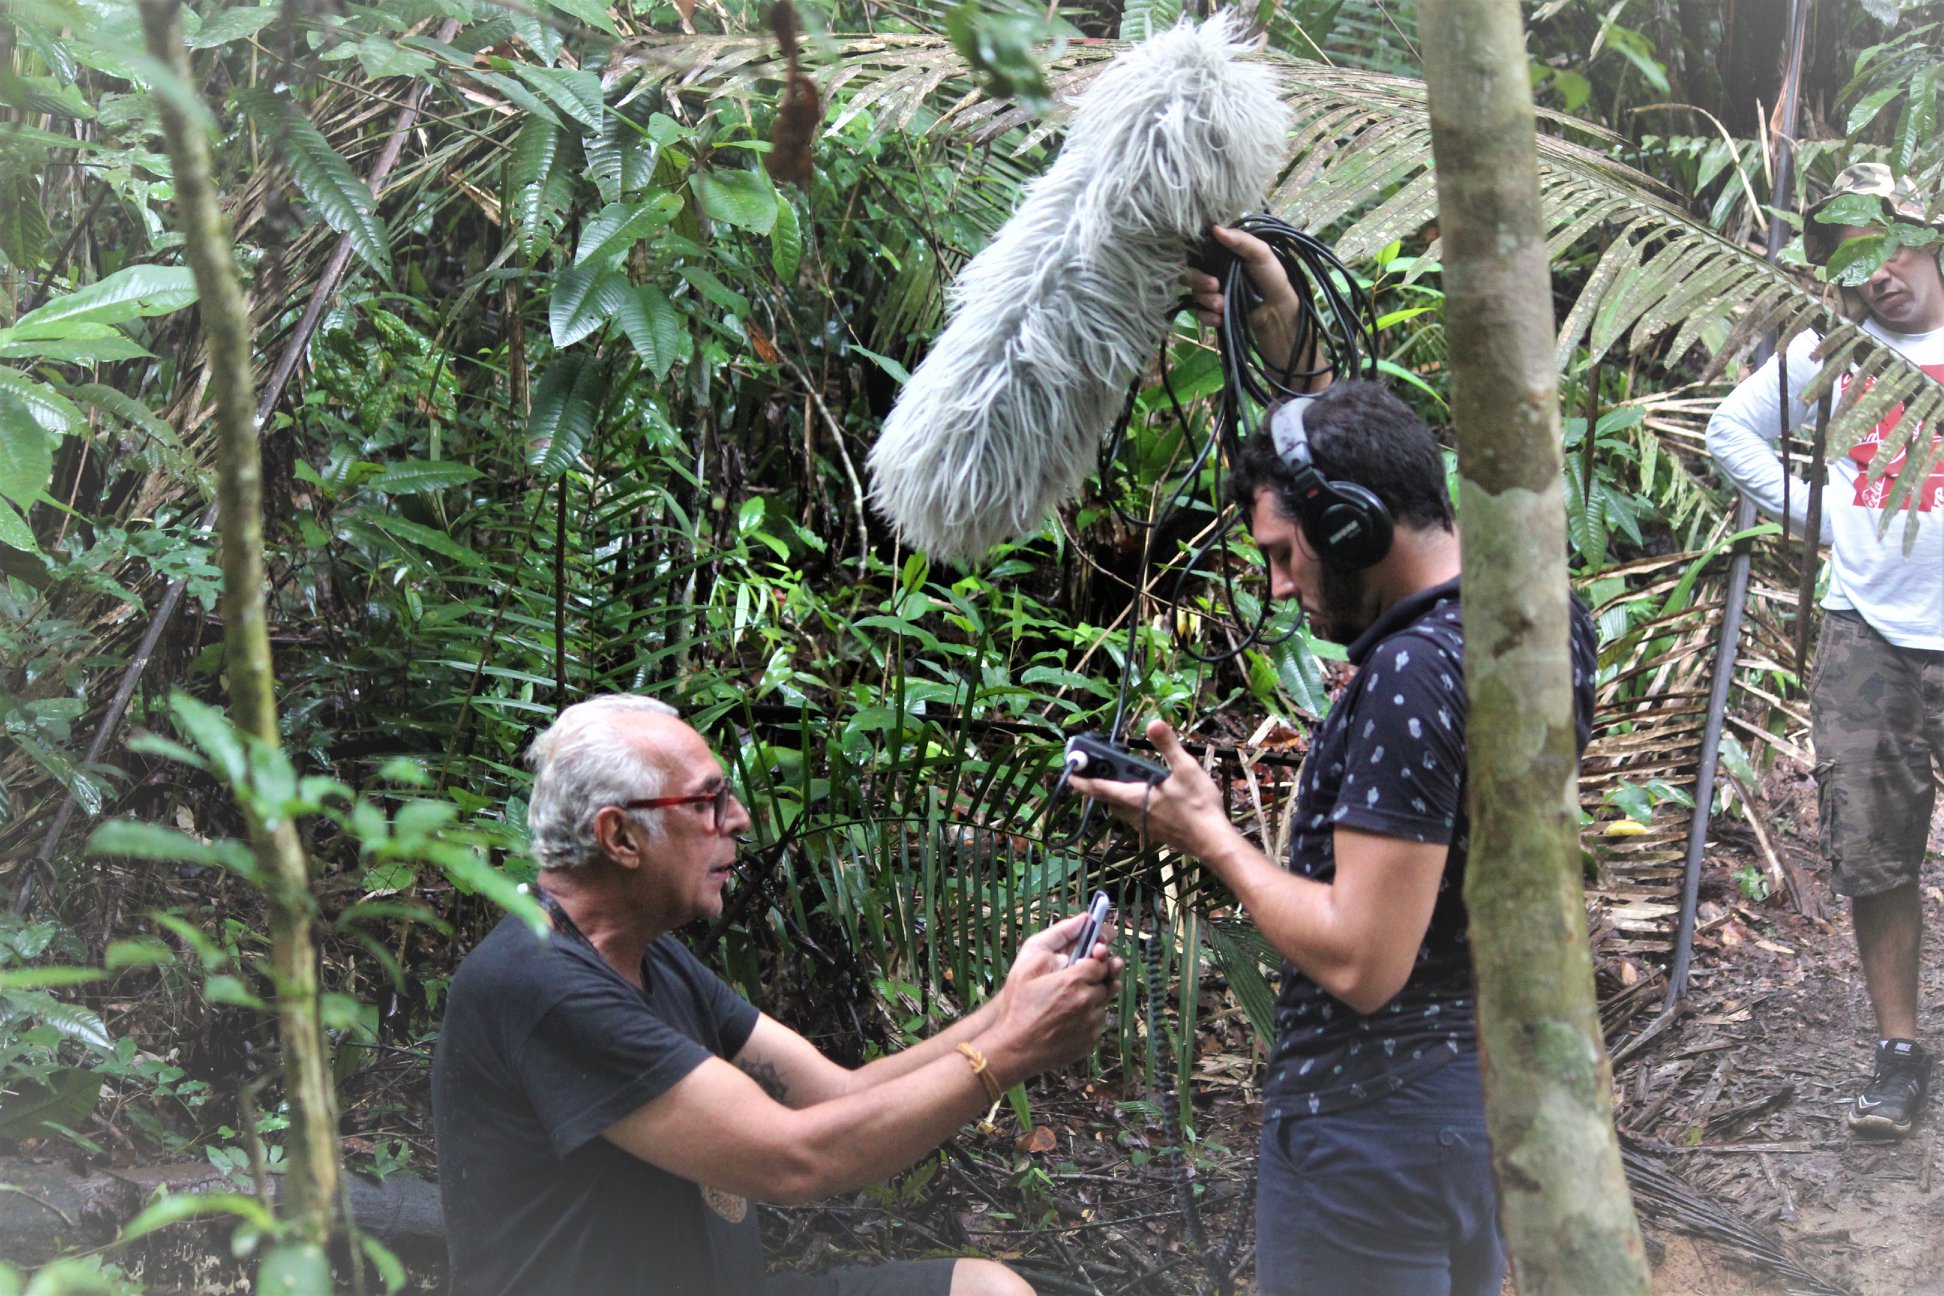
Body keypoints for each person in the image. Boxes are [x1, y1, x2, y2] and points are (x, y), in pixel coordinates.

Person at [1073, 364, 1598, 1294]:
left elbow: (1363, 963)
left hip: (1371, 1133)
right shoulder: (1542, 615)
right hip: (1480, 1100)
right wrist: (1278, 324)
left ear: (1351, 526)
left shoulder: (1410, 675)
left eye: (1284, 553)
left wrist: (1211, 837)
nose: (1279, 587)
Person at [432, 694, 1123, 1296]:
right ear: (620, 836)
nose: (738, 819)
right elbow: (795, 1158)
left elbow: (838, 1095)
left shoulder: (646, 955)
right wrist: (1011, 1051)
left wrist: (1007, 1010)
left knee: (985, 1290)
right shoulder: (544, 985)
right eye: (707, 801)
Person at [1706, 162, 1944, 1140]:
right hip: (1867, 634)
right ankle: (1900, 1052)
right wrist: (1828, 520)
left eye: (1885, 246)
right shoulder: (1834, 351)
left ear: (1923, 235)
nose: (1874, 274)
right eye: (1850, 261)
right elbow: (1731, 431)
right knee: (1874, 854)